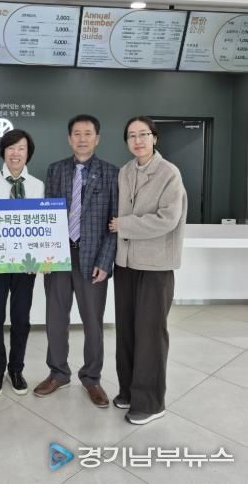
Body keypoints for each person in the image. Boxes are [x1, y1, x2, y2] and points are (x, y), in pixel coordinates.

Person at [33, 114, 118, 407]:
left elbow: (115, 223)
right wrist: (44, 252)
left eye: (88, 133)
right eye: (77, 134)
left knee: (93, 322)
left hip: (92, 258)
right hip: (58, 256)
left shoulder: (111, 173)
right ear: (69, 139)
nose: (82, 138)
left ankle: (91, 378)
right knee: (56, 319)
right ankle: (58, 373)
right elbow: (46, 214)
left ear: (97, 138)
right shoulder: (55, 170)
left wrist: (105, 262)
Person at [109, 116, 187, 425]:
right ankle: (129, 391)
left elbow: (168, 218)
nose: (138, 140)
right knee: (127, 331)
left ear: (155, 138)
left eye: (143, 134)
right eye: (131, 135)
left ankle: (152, 402)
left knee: (150, 334)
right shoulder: (125, 171)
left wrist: (124, 225)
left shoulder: (169, 173)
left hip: (155, 265)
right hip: (126, 263)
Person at [0, 129, 44, 397]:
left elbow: (42, 228)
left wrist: (39, 258)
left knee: (21, 318)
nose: (16, 153)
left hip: (26, 265)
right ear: (3, 152)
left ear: (28, 153)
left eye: (21, 148)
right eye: (11, 148)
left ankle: (16, 369)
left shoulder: (38, 186)